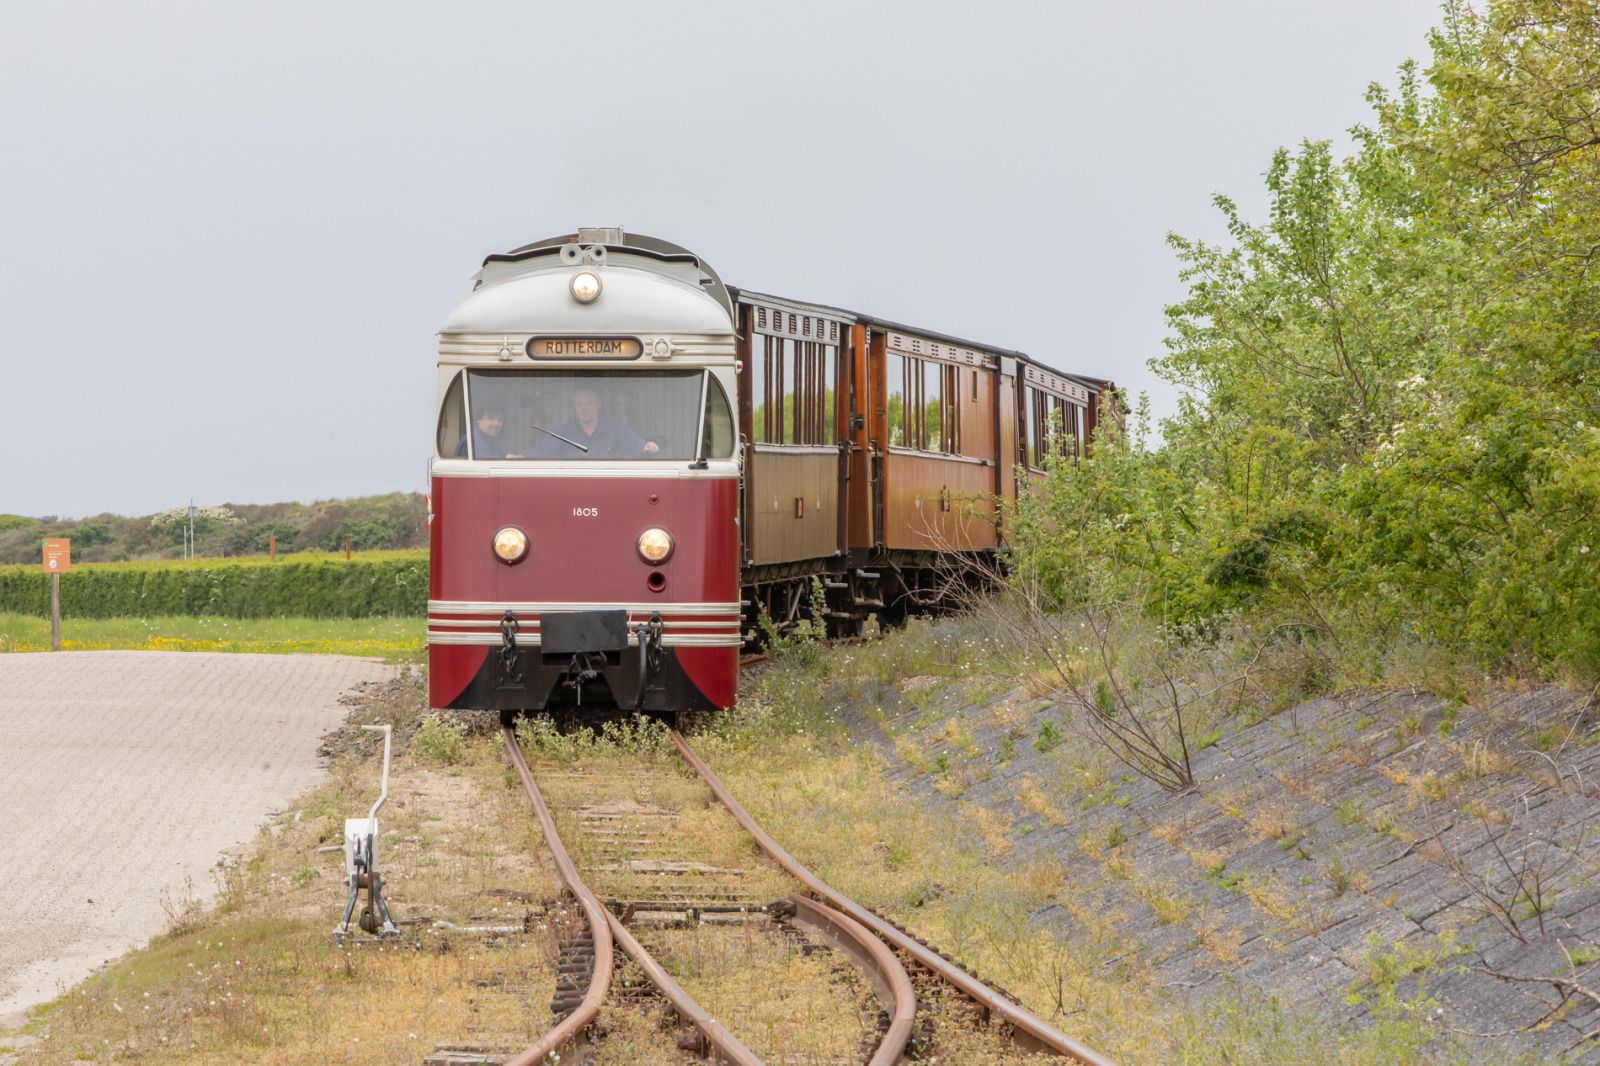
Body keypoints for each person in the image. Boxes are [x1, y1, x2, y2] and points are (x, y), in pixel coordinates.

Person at [533, 387, 660, 458]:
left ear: (598, 404)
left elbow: (638, 448)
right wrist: (519, 457)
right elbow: (540, 453)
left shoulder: (617, 430)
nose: (584, 408)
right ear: (575, 407)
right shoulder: (563, 432)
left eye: (589, 403)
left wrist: (650, 448)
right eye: (580, 404)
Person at [456, 405, 520, 459]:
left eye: (500, 419)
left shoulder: (492, 445)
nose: (496, 424)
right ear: (478, 419)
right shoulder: (469, 442)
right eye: (491, 418)